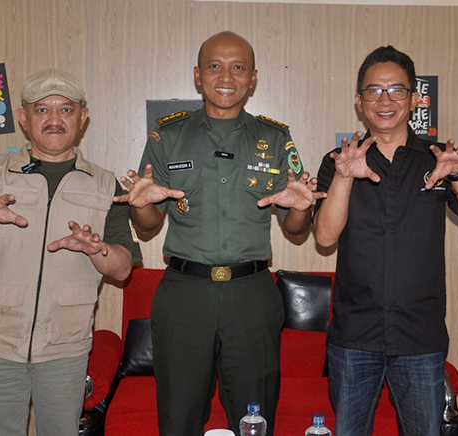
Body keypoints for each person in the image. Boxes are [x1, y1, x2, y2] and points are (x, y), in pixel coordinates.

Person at [114, 31, 323, 436]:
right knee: (179, 419)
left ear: (253, 78)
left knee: (254, 419)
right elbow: (149, 225)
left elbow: (295, 231)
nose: (226, 77)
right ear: (198, 75)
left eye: (238, 67)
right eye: (214, 66)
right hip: (184, 296)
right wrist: (140, 205)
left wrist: (301, 209)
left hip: (252, 297)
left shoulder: (275, 138)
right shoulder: (167, 136)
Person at [0, 68, 141, 436]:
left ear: (83, 117)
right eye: (42, 109)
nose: (54, 119)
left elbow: (122, 269)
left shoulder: (107, 185)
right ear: (24, 118)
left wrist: (97, 250)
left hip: (65, 349)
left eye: (66, 109)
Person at [312, 46, 458, 436]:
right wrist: (344, 178)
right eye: (374, 91)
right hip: (355, 333)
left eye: (397, 90)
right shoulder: (338, 161)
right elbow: (325, 238)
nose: (385, 101)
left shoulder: (437, 160)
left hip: (420, 334)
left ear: (414, 99)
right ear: (359, 100)